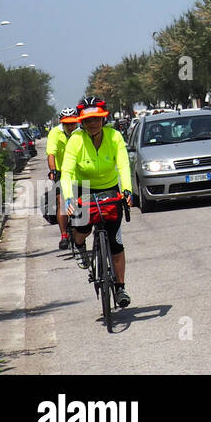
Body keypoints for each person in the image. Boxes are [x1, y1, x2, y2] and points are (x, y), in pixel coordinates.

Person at [61, 96, 133, 309]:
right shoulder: (75, 140)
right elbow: (67, 170)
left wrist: (127, 189)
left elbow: (123, 164)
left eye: (97, 119)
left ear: (104, 119)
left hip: (110, 189)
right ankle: (81, 245)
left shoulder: (115, 136)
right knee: (82, 228)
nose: (93, 123)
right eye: (88, 120)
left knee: (115, 242)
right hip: (83, 187)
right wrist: (68, 197)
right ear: (81, 122)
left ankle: (120, 288)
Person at [45, 108, 81, 250]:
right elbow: (51, 153)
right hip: (61, 173)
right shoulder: (55, 133)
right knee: (61, 202)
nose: (70, 126)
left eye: (73, 123)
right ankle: (64, 235)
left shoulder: (81, 132)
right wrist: (53, 170)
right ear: (62, 123)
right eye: (67, 124)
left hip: (79, 172)